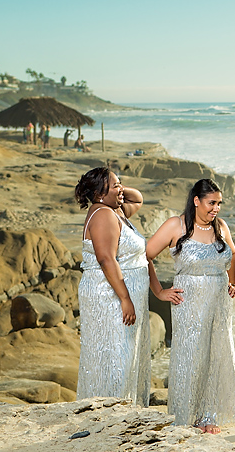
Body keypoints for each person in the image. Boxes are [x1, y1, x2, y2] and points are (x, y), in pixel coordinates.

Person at [73, 167, 178, 406]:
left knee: (125, 357)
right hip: (110, 296)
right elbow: (106, 259)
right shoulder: (102, 215)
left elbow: (137, 198)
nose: (122, 190)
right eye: (115, 186)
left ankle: (124, 410)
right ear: (100, 192)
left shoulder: (115, 211)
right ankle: (110, 411)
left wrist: (114, 188)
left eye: (121, 184)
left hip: (123, 294)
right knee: (116, 358)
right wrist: (125, 299)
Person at [146, 179, 235, 433]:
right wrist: (159, 291)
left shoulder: (220, 226)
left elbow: (233, 254)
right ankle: (184, 415)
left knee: (214, 354)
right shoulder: (175, 225)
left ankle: (207, 415)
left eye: (219, 203)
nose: (216, 208)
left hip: (219, 304)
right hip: (188, 303)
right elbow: (145, 256)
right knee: (189, 357)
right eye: (211, 203)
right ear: (196, 201)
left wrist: (232, 282)